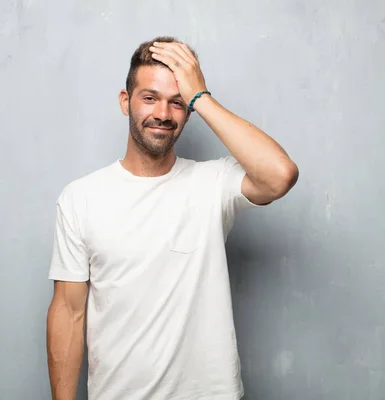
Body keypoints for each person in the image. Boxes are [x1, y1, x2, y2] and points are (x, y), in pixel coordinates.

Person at [45, 36, 299, 400]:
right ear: (125, 101)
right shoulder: (81, 198)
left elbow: (280, 175)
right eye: (149, 98)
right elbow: (68, 315)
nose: (163, 114)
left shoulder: (214, 183)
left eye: (177, 102)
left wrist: (201, 96)